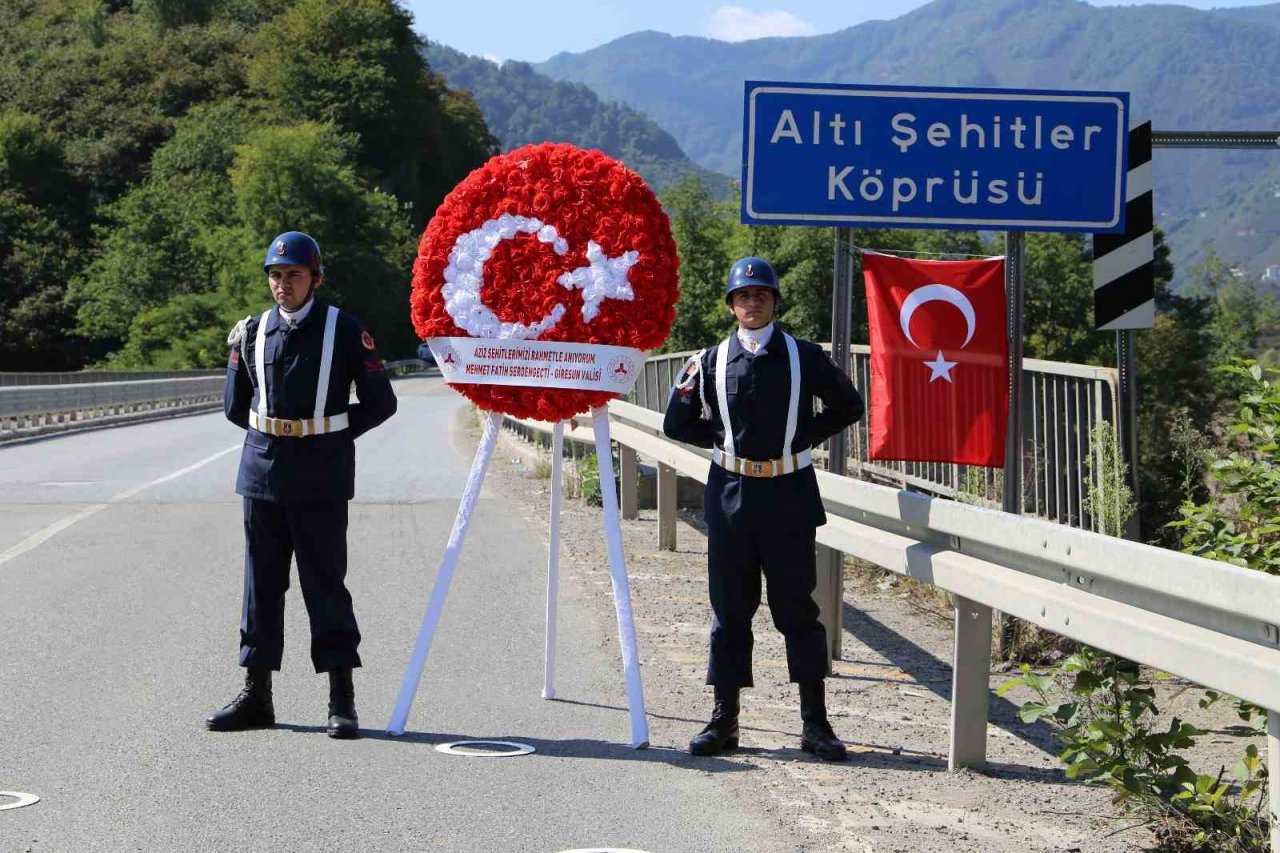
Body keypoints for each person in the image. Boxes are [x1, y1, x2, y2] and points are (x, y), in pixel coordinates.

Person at [663, 256, 864, 761]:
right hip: (730, 497)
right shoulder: (709, 361)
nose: (752, 303)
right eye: (743, 296)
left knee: (798, 612)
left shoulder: (804, 356)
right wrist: (721, 439)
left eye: (761, 295)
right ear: (731, 305)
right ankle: (724, 720)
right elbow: (675, 422)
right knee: (730, 612)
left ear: (775, 302)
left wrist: (802, 439)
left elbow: (849, 405)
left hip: (789, 496)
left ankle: (815, 724)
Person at [209, 231, 398, 739]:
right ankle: (257, 696)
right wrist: (281, 434)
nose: (283, 284)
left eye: (293, 275)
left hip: (321, 478)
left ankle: (341, 700)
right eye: (275, 275)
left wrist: (328, 436)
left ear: (315, 277)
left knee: (325, 586)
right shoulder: (251, 332)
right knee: (260, 587)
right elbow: (235, 406)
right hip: (262, 475)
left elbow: (381, 402)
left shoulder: (345, 329)